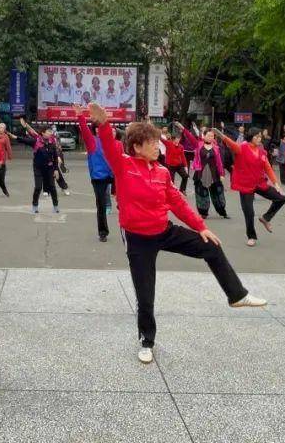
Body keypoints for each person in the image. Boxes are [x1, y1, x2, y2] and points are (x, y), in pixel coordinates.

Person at [88, 102, 265, 365]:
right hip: (138, 238)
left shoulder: (161, 172)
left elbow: (178, 203)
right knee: (145, 294)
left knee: (211, 246)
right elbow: (110, 148)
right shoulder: (124, 166)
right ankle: (146, 341)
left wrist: (201, 227)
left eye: (157, 142)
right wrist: (103, 124)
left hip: (164, 230)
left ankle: (236, 295)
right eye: (152, 143)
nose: (157, 147)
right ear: (137, 146)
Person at [216, 127, 285, 246]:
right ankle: (251, 236)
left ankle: (266, 218)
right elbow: (232, 144)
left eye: (260, 137)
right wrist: (222, 136)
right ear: (251, 136)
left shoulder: (261, 151)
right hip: (245, 185)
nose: (259, 139)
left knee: (281, 198)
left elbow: (268, 168)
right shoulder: (242, 148)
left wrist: (276, 184)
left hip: (259, 183)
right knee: (249, 212)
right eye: (257, 136)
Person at [77, 109, 115, 242]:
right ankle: (103, 232)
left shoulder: (111, 140)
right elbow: (84, 130)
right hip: (99, 178)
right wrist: (80, 115)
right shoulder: (92, 141)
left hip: (114, 175)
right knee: (101, 205)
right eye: (98, 128)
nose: (101, 129)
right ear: (96, 130)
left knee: (128, 198)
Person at [180, 123, 229, 219]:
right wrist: (183, 128)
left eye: (212, 136)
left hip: (214, 173)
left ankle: (222, 212)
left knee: (218, 193)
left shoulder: (216, 148)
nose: (211, 137)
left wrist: (222, 174)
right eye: (209, 135)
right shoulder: (198, 145)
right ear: (204, 136)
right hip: (201, 173)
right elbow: (190, 137)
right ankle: (203, 212)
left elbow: (219, 162)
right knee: (201, 193)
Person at [17, 117, 60, 213]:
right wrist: (16, 135)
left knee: (52, 187)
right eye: (48, 131)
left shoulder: (51, 143)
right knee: (38, 187)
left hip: (49, 168)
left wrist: (56, 169)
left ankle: (55, 206)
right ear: (43, 133)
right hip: (38, 168)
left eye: (51, 131)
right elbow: (26, 138)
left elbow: (55, 157)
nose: (50, 133)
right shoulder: (36, 141)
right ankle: (35, 205)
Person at [161, 129, 189, 194]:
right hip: (170, 166)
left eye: (179, 138)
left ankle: (182, 190)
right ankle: (170, 193)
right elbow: (161, 139)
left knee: (185, 176)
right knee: (171, 181)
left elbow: (183, 156)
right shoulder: (169, 143)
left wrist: (185, 166)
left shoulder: (181, 146)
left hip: (178, 165)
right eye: (177, 138)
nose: (178, 140)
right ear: (173, 139)